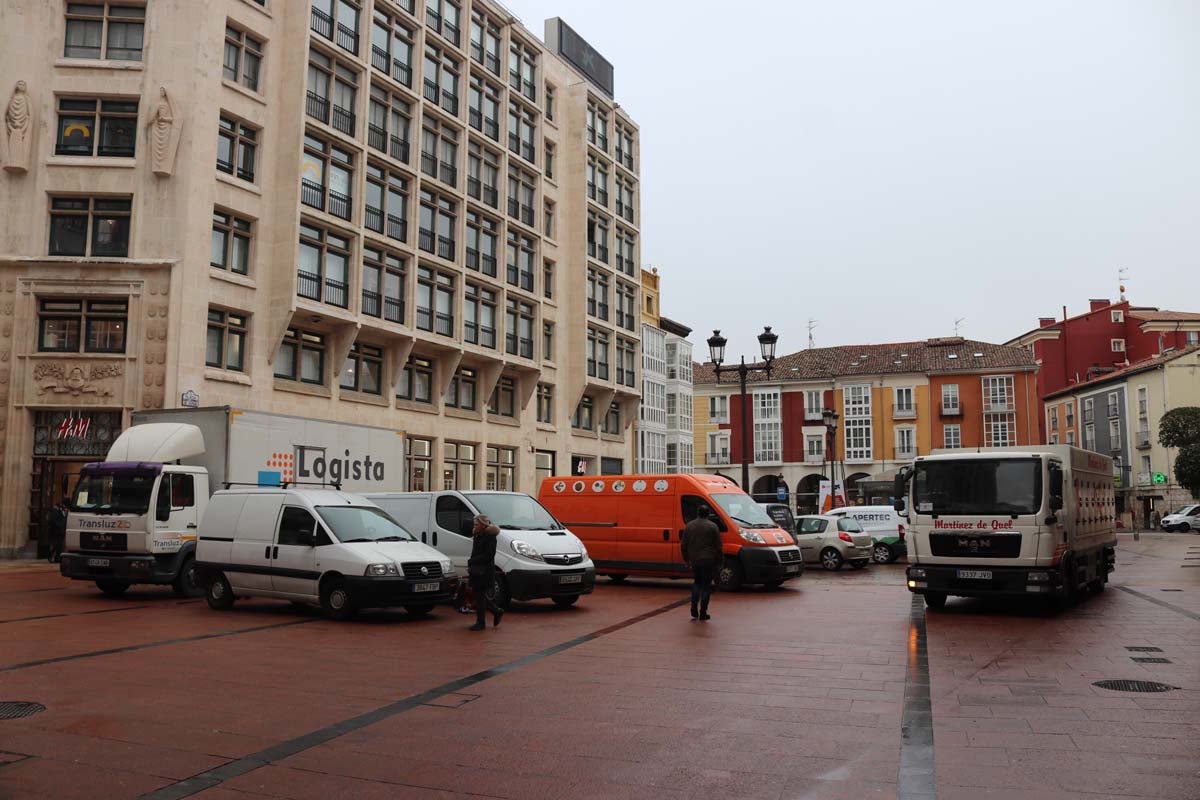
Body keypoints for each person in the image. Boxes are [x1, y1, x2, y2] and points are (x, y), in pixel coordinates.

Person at [681, 505, 723, 621]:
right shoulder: (713, 526)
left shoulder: (689, 526)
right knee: (706, 586)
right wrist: (720, 562)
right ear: (708, 514)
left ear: (697, 513)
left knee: (697, 583)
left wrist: (687, 559)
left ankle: (693, 607)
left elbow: (683, 545)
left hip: (695, 560)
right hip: (709, 560)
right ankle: (703, 612)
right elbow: (719, 547)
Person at [467, 515, 504, 631]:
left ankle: (481, 622)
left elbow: (489, 555)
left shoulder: (490, 537)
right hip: (476, 569)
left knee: (480, 596)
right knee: (479, 596)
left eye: (476, 524)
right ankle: (496, 611)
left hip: (484, 571)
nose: (474, 526)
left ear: (483, 525)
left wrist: (473, 561)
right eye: (474, 524)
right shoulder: (477, 535)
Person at [46, 496, 68, 563]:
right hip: (56, 531)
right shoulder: (55, 510)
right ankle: (52, 557)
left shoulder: (60, 510)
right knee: (56, 545)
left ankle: (57, 558)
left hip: (59, 531)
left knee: (58, 546)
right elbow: (54, 521)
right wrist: (61, 527)